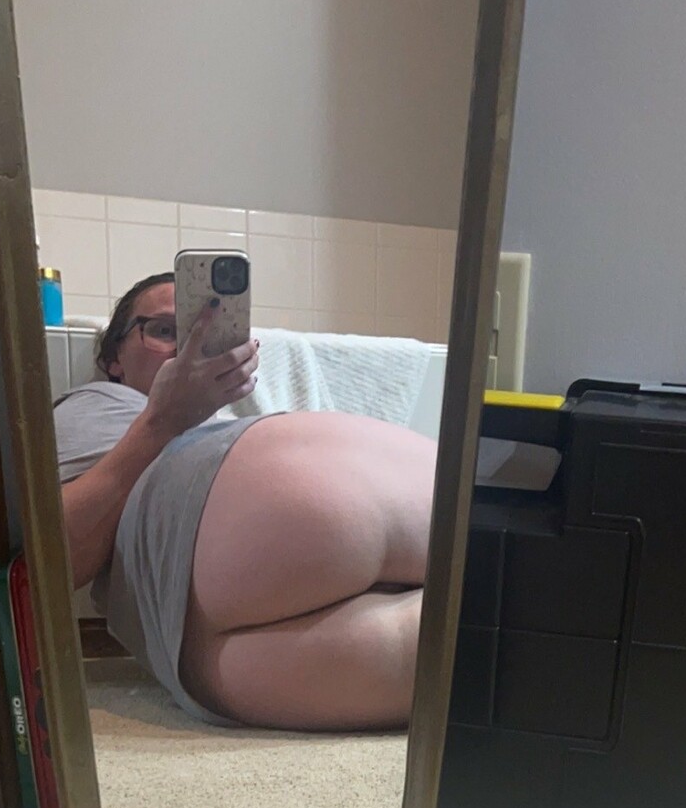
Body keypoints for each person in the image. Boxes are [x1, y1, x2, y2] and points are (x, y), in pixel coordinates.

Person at [52, 272, 435, 730]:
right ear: (113, 358)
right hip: (195, 599)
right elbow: (49, 566)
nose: (187, 347)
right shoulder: (94, 402)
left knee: (493, 634)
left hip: (200, 658)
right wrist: (161, 421)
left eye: (211, 334)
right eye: (164, 330)